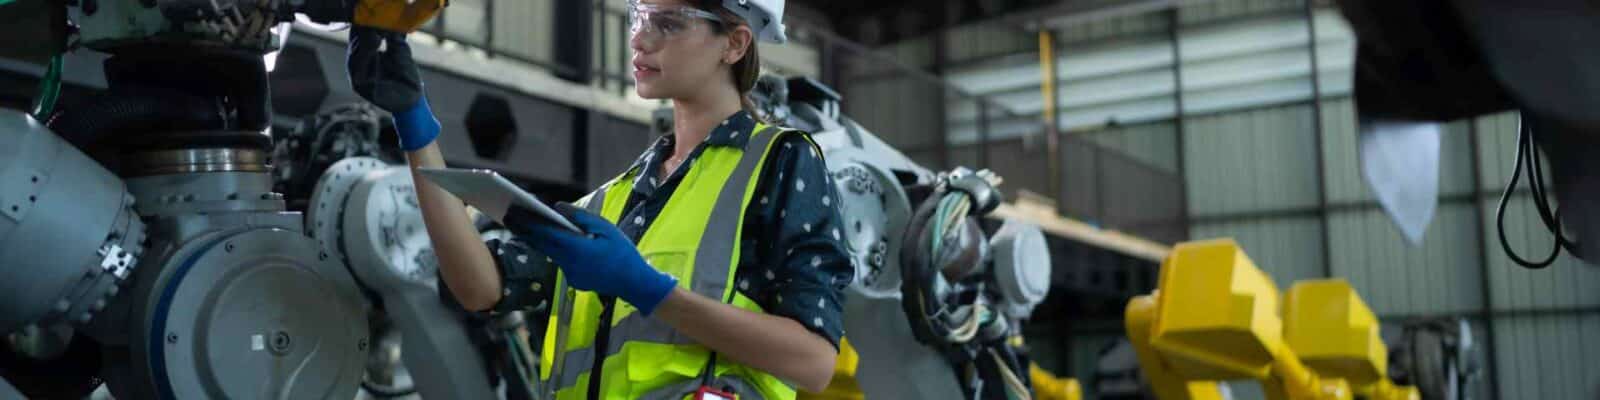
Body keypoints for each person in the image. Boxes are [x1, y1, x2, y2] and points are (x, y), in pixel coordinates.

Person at [344, 0, 851, 398]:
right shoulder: (616, 199)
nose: (638, 37)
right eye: (638, 16)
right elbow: (479, 287)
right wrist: (415, 125)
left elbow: (812, 363)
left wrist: (648, 290)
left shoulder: (781, 161)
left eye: (668, 23)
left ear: (735, 43)